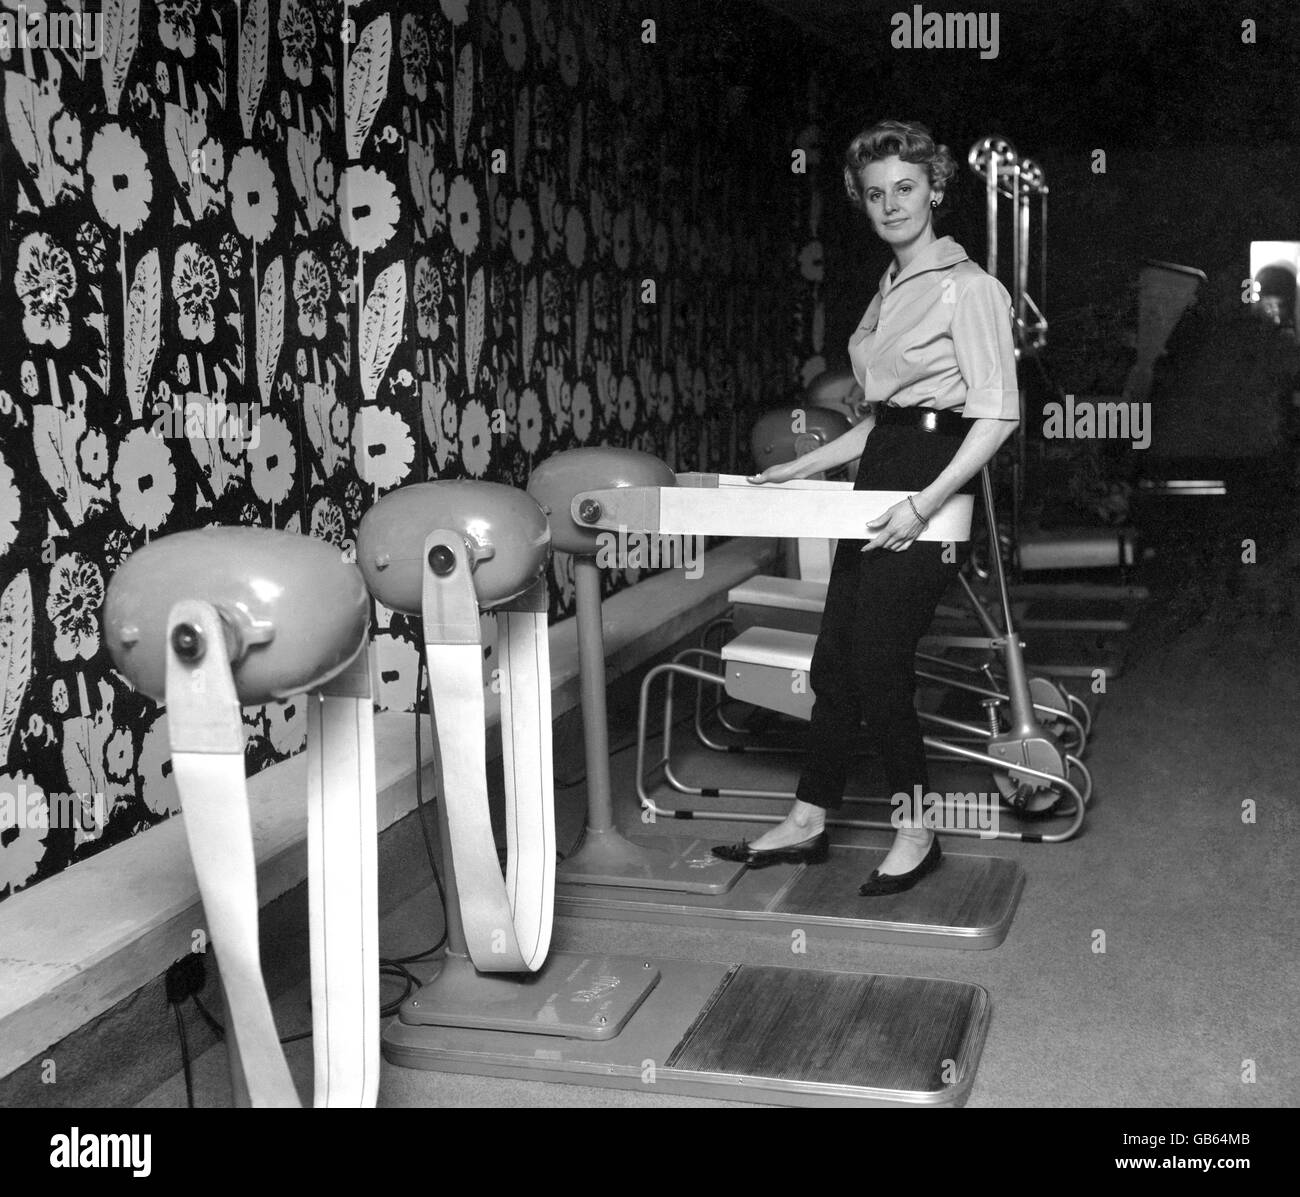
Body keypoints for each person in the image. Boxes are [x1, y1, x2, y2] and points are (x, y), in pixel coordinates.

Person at [713, 119, 1020, 895]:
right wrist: (798, 469)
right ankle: (810, 819)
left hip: (933, 482)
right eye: (876, 193)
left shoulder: (969, 287)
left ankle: (917, 830)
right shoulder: (888, 288)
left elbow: (997, 415)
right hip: (884, 470)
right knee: (835, 662)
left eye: (906, 188)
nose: (891, 205)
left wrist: (926, 503)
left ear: (936, 190)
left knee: (881, 662)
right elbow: (879, 422)